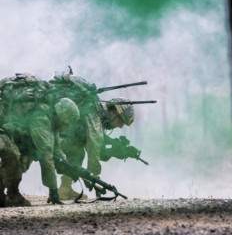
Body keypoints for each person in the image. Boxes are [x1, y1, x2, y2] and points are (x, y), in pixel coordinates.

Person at [48, 70, 135, 200]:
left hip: (56, 136)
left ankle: (65, 189)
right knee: (77, 152)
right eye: (120, 121)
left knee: (77, 148)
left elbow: (98, 147)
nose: (120, 126)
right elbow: (94, 146)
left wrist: (116, 151)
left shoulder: (94, 112)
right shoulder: (93, 113)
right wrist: (95, 177)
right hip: (54, 137)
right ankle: (65, 189)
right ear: (112, 112)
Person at [0, 73, 80, 205]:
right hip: (2, 131)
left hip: (7, 131)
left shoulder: (50, 118)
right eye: (66, 124)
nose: (65, 128)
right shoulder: (42, 117)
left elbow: (57, 152)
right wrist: (53, 191)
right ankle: (13, 195)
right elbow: (46, 155)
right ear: (62, 116)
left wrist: (70, 170)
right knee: (13, 156)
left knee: (24, 158)